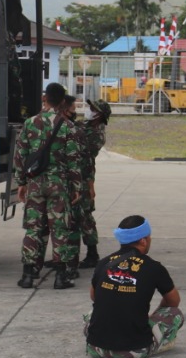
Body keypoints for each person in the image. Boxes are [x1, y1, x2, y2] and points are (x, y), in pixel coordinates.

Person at [84, 215, 184, 358]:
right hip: (136, 350)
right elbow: (173, 302)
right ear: (143, 240)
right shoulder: (154, 267)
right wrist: (152, 316)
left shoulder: (104, 263)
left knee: (90, 314)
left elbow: (94, 297)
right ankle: (158, 343)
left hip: (96, 349)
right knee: (175, 314)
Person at [12, 82, 66, 288]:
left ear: (45, 98)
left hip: (35, 184)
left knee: (33, 229)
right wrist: (77, 187)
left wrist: (22, 183)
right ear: (62, 101)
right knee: (59, 228)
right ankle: (61, 277)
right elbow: (74, 161)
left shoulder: (30, 123)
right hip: (58, 185)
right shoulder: (67, 126)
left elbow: (20, 156)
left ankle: (28, 275)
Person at [46, 94, 86, 288]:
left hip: (61, 183)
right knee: (64, 226)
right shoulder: (67, 127)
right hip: (64, 184)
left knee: (68, 226)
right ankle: (64, 266)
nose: (75, 112)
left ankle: (69, 265)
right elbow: (72, 159)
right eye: (73, 109)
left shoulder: (72, 128)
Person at [77, 99, 112, 269]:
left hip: (83, 178)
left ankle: (92, 254)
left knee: (85, 218)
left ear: (99, 115)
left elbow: (81, 151)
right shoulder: (87, 126)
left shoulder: (96, 134)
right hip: (75, 177)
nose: (88, 110)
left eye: (92, 109)